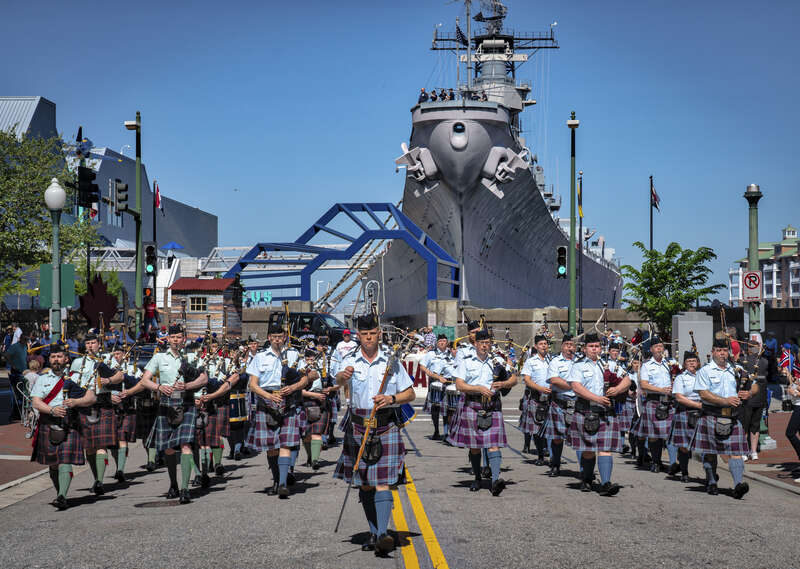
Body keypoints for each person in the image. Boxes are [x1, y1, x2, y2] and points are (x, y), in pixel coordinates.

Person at [334, 313, 415, 556]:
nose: (369, 338)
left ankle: (382, 532)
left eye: (372, 334)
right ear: (358, 336)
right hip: (358, 426)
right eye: (364, 334)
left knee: (383, 483)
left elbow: (409, 394)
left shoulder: (391, 362)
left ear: (379, 334)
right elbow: (336, 382)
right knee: (366, 485)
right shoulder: (350, 360)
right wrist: (341, 377)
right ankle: (374, 532)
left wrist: (391, 398)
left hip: (385, 425)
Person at [134, 325, 208, 503]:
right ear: (168, 339)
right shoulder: (159, 357)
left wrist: (188, 386)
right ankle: (173, 484)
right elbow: (144, 380)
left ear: (184, 339)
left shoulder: (191, 357)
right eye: (172, 337)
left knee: (185, 446)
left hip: (187, 402)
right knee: (168, 448)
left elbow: (204, 378)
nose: (176, 340)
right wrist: (159, 387)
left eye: (179, 337)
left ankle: (185, 489)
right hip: (166, 404)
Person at [448, 329, 516, 495]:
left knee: (494, 445)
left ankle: (495, 481)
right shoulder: (466, 361)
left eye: (488, 343)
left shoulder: (497, 360)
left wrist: (504, 384)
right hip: (472, 405)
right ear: (476, 344)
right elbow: (459, 385)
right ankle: (477, 478)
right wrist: (478, 388)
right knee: (475, 447)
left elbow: (514, 378)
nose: (485, 346)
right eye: (482, 343)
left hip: (493, 407)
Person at [245, 325, 309, 498]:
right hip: (266, 402)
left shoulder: (294, 355)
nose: (277, 339)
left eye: (280, 336)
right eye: (274, 336)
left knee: (285, 444)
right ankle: (276, 479)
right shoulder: (259, 357)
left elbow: (306, 378)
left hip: (289, 401)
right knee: (271, 447)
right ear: (268, 337)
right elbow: (253, 385)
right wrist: (269, 396)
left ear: (285, 337)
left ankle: (282, 484)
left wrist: (294, 387)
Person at [30, 342, 94, 510]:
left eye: (59, 356)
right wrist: (51, 410)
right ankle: (61, 493)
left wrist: (76, 401)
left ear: (66, 359)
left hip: (71, 422)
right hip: (49, 423)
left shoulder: (77, 376)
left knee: (65, 461)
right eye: (53, 357)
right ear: (49, 360)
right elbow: (36, 402)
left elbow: (91, 398)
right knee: (53, 463)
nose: (56, 359)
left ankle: (62, 496)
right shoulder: (41, 379)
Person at [692, 337, 756, 498]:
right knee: (710, 451)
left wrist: (749, 393)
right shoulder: (705, 371)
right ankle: (712, 481)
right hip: (711, 415)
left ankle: (738, 485)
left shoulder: (737, 369)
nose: (722, 353)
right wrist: (725, 400)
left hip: (733, 417)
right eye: (719, 351)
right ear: (713, 352)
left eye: (725, 351)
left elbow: (755, 384)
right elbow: (703, 393)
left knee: (736, 451)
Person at [568, 333, 629, 495]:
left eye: (597, 346)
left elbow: (628, 379)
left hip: (606, 412)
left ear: (601, 348)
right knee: (588, 449)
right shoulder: (578, 365)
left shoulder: (609, 364)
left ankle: (606, 483)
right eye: (591, 347)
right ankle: (587, 479)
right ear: (585, 348)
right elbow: (576, 387)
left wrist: (617, 389)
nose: (594, 349)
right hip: (585, 410)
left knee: (605, 448)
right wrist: (597, 399)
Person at [69, 332, 124, 495]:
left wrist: (109, 381)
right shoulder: (77, 362)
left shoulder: (107, 359)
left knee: (101, 445)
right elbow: (71, 381)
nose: (90, 346)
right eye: (88, 343)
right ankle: (96, 478)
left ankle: (100, 481)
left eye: (93, 342)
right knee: (90, 447)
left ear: (99, 344)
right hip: (85, 405)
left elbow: (120, 376)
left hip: (103, 402)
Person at [635, 336, 675, 473]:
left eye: (661, 346)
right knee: (653, 435)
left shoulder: (670, 364)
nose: (659, 349)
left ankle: (673, 463)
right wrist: (661, 390)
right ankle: (656, 462)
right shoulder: (646, 365)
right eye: (656, 347)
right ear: (651, 349)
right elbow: (644, 384)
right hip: (653, 401)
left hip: (669, 402)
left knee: (670, 433)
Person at [544, 334, 577, 477]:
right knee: (557, 436)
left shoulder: (581, 361)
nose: (570, 347)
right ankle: (555, 465)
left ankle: (584, 470)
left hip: (577, 403)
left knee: (581, 436)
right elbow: (553, 380)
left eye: (572, 344)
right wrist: (575, 386)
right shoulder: (555, 361)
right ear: (562, 346)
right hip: (560, 402)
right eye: (567, 344)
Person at [669, 351, 702, 483]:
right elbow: (679, 397)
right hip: (685, 412)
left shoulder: (704, 376)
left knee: (704, 444)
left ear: (698, 363)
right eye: (689, 361)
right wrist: (697, 405)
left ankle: (710, 473)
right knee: (683, 445)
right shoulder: (680, 378)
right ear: (684, 364)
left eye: (694, 361)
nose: (692, 363)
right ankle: (684, 472)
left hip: (702, 412)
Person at [519, 335, 552, 463]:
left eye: (545, 343)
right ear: (536, 347)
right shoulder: (531, 361)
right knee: (537, 429)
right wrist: (540, 388)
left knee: (550, 428)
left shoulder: (552, 360)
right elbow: (526, 380)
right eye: (541, 344)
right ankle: (540, 455)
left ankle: (552, 455)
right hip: (536, 397)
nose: (544, 346)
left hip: (551, 398)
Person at [419, 334, 456, 440]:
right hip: (435, 382)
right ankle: (436, 430)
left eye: (444, 341)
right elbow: (422, 366)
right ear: (436, 343)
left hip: (449, 383)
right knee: (435, 408)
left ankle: (447, 432)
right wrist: (432, 374)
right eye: (440, 341)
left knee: (448, 409)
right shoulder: (431, 354)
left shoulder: (451, 353)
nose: (442, 343)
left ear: (447, 342)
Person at [298, 349, 328, 470]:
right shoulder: (300, 372)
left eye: (312, 358)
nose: (310, 361)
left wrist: (328, 390)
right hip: (305, 403)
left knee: (317, 433)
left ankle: (315, 459)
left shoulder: (322, 370)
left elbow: (332, 384)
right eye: (308, 358)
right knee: (306, 435)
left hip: (320, 404)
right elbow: (298, 390)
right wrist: (315, 395)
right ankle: (310, 456)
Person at [739, 343, 768, 461]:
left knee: (745, 426)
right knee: (755, 426)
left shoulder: (742, 361)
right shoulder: (764, 361)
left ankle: (745, 451)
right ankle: (753, 451)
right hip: (759, 398)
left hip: (747, 398)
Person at [5, 334, 29, 420]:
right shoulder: (15, 346)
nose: (26, 341)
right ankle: (15, 413)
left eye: (27, 340)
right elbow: (6, 355)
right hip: (17, 372)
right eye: (25, 339)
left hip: (24, 372)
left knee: (23, 393)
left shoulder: (25, 346)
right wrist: (12, 365)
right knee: (16, 393)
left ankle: (21, 412)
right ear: (21, 339)